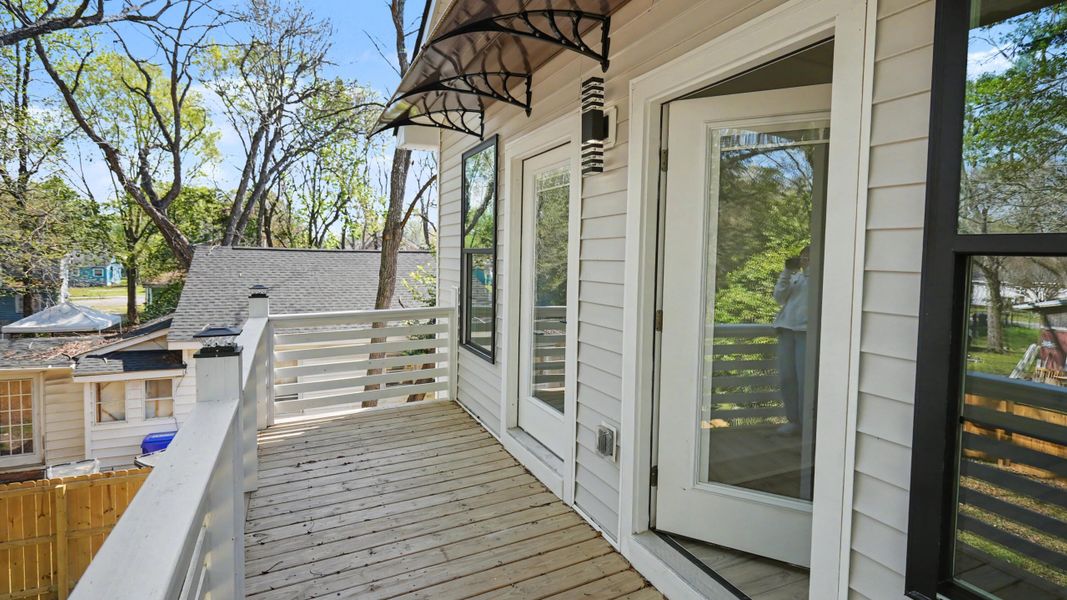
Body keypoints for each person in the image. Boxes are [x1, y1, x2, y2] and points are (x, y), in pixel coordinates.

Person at [772, 246, 810, 435]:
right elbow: (778, 297)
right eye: (803, 256)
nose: (805, 259)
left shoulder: (820, 280)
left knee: (804, 380)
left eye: (809, 256)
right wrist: (787, 271)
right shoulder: (796, 278)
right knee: (787, 378)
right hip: (786, 331)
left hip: (806, 333)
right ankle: (793, 421)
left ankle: (806, 423)